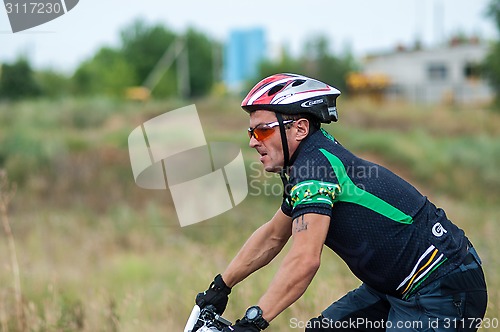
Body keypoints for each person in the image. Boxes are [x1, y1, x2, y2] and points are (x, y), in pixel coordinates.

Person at [194, 73, 487, 331]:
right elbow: (273, 235)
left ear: (299, 128)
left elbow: (304, 261)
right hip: (393, 288)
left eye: (263, 130)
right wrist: (222, 286)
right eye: (251, 132)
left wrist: (253, 321)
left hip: (442, 287)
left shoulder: (315, 169)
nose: (253, 141)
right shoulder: (309, 163)